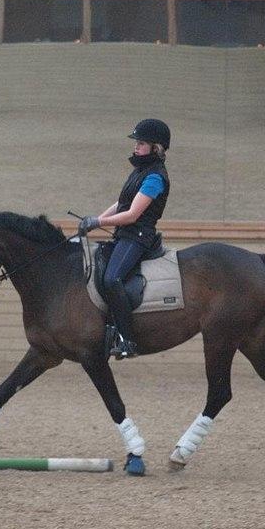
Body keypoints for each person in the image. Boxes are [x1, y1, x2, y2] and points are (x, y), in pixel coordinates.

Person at [78, 119, 171, 359]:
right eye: (137, 143)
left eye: (141, 143)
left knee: (111, 279)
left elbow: (131, 215)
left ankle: (127, 339)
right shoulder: (139, 171)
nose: (136, 147)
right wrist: (95, 220)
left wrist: (98, 223)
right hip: (125, 235)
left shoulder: (155, 177)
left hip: (138, 237)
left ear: (156, 147)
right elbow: (121, 203)